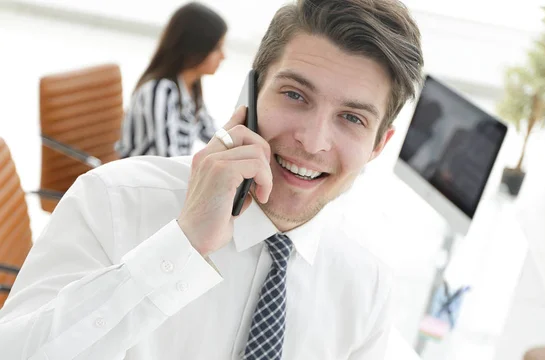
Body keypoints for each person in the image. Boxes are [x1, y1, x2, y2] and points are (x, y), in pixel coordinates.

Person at [0, 0, 424, 358]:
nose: (313, 142)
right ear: (250, 95)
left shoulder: (366, 285)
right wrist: (181, 245)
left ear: (377, 146)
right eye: (295, 95)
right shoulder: (114, 200)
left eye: (352, 118)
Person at [116, 2, 227, 158]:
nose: (223, 56)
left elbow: (214, 134)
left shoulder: (191, 90)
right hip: (143, 178)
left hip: (167, 177)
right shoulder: (159, 91)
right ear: (195, 47)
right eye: (217, 48)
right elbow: (166, 157)